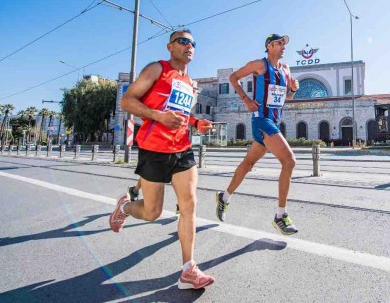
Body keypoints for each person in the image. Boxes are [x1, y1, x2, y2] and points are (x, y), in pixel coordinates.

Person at [109, 29, 215, 289]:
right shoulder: (157, 69)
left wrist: (196, 122)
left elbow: (180, 114)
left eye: (193, 43)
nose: (189, 46)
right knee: (152, 211)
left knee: (189, 205)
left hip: (182, 148)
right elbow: (127, 101)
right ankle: (124, 208)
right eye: (183, 41)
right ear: (170, 46)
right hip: (154, 148)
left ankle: (188, 270)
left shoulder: (189, 82)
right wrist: (157, 116)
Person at [215, 34, 300, 235]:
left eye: (284, 44)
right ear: (269, 46)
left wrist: (293, 91)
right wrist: (245, 100)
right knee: (289, 161)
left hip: (274, 120)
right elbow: (233, 78)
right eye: (279, 43)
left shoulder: (286, 70)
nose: (283, 47)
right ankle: (280, 215)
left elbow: (287, 97)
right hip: (262, 120)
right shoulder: (259, 65)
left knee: (248, 165)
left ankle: (224, 197)